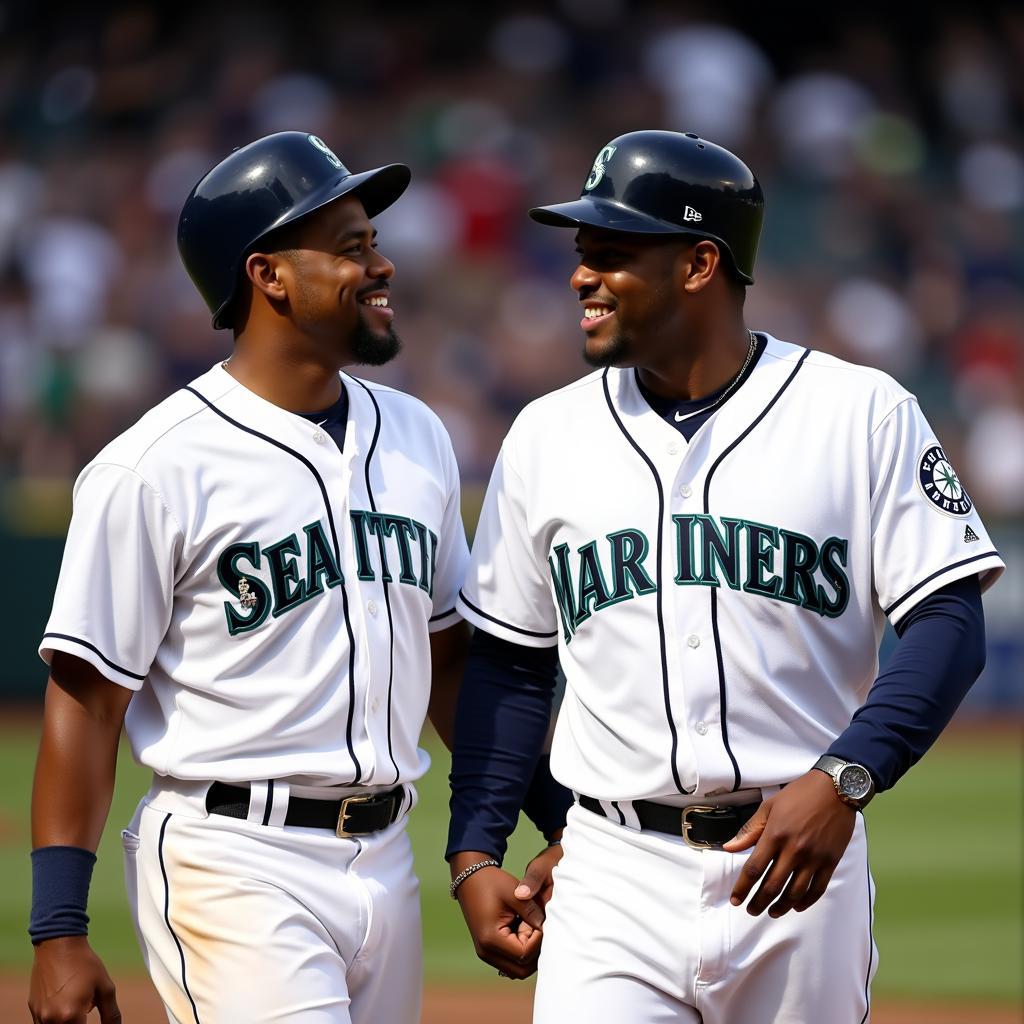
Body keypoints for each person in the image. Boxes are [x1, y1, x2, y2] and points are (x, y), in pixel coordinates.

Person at [446, 130, 1005, 1023]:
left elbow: (949, 623)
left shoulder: (857, 413)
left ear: (701, 263)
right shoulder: (546, 436)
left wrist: (846, 780)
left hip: (796, 867)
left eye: (613, 255)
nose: (582, 277)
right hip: (609, 871)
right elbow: (511, 665)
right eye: (582, 254)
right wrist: (474, 850)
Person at [28, 131, 471, 1024]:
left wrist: (524, 826)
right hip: (231, 860)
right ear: (268, 275)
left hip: (389, 856)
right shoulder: (153, 465)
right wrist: (58, 931)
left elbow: (453, 657)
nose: (381, 264)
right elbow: (85, 703)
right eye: (351, 248)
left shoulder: (418, 432)